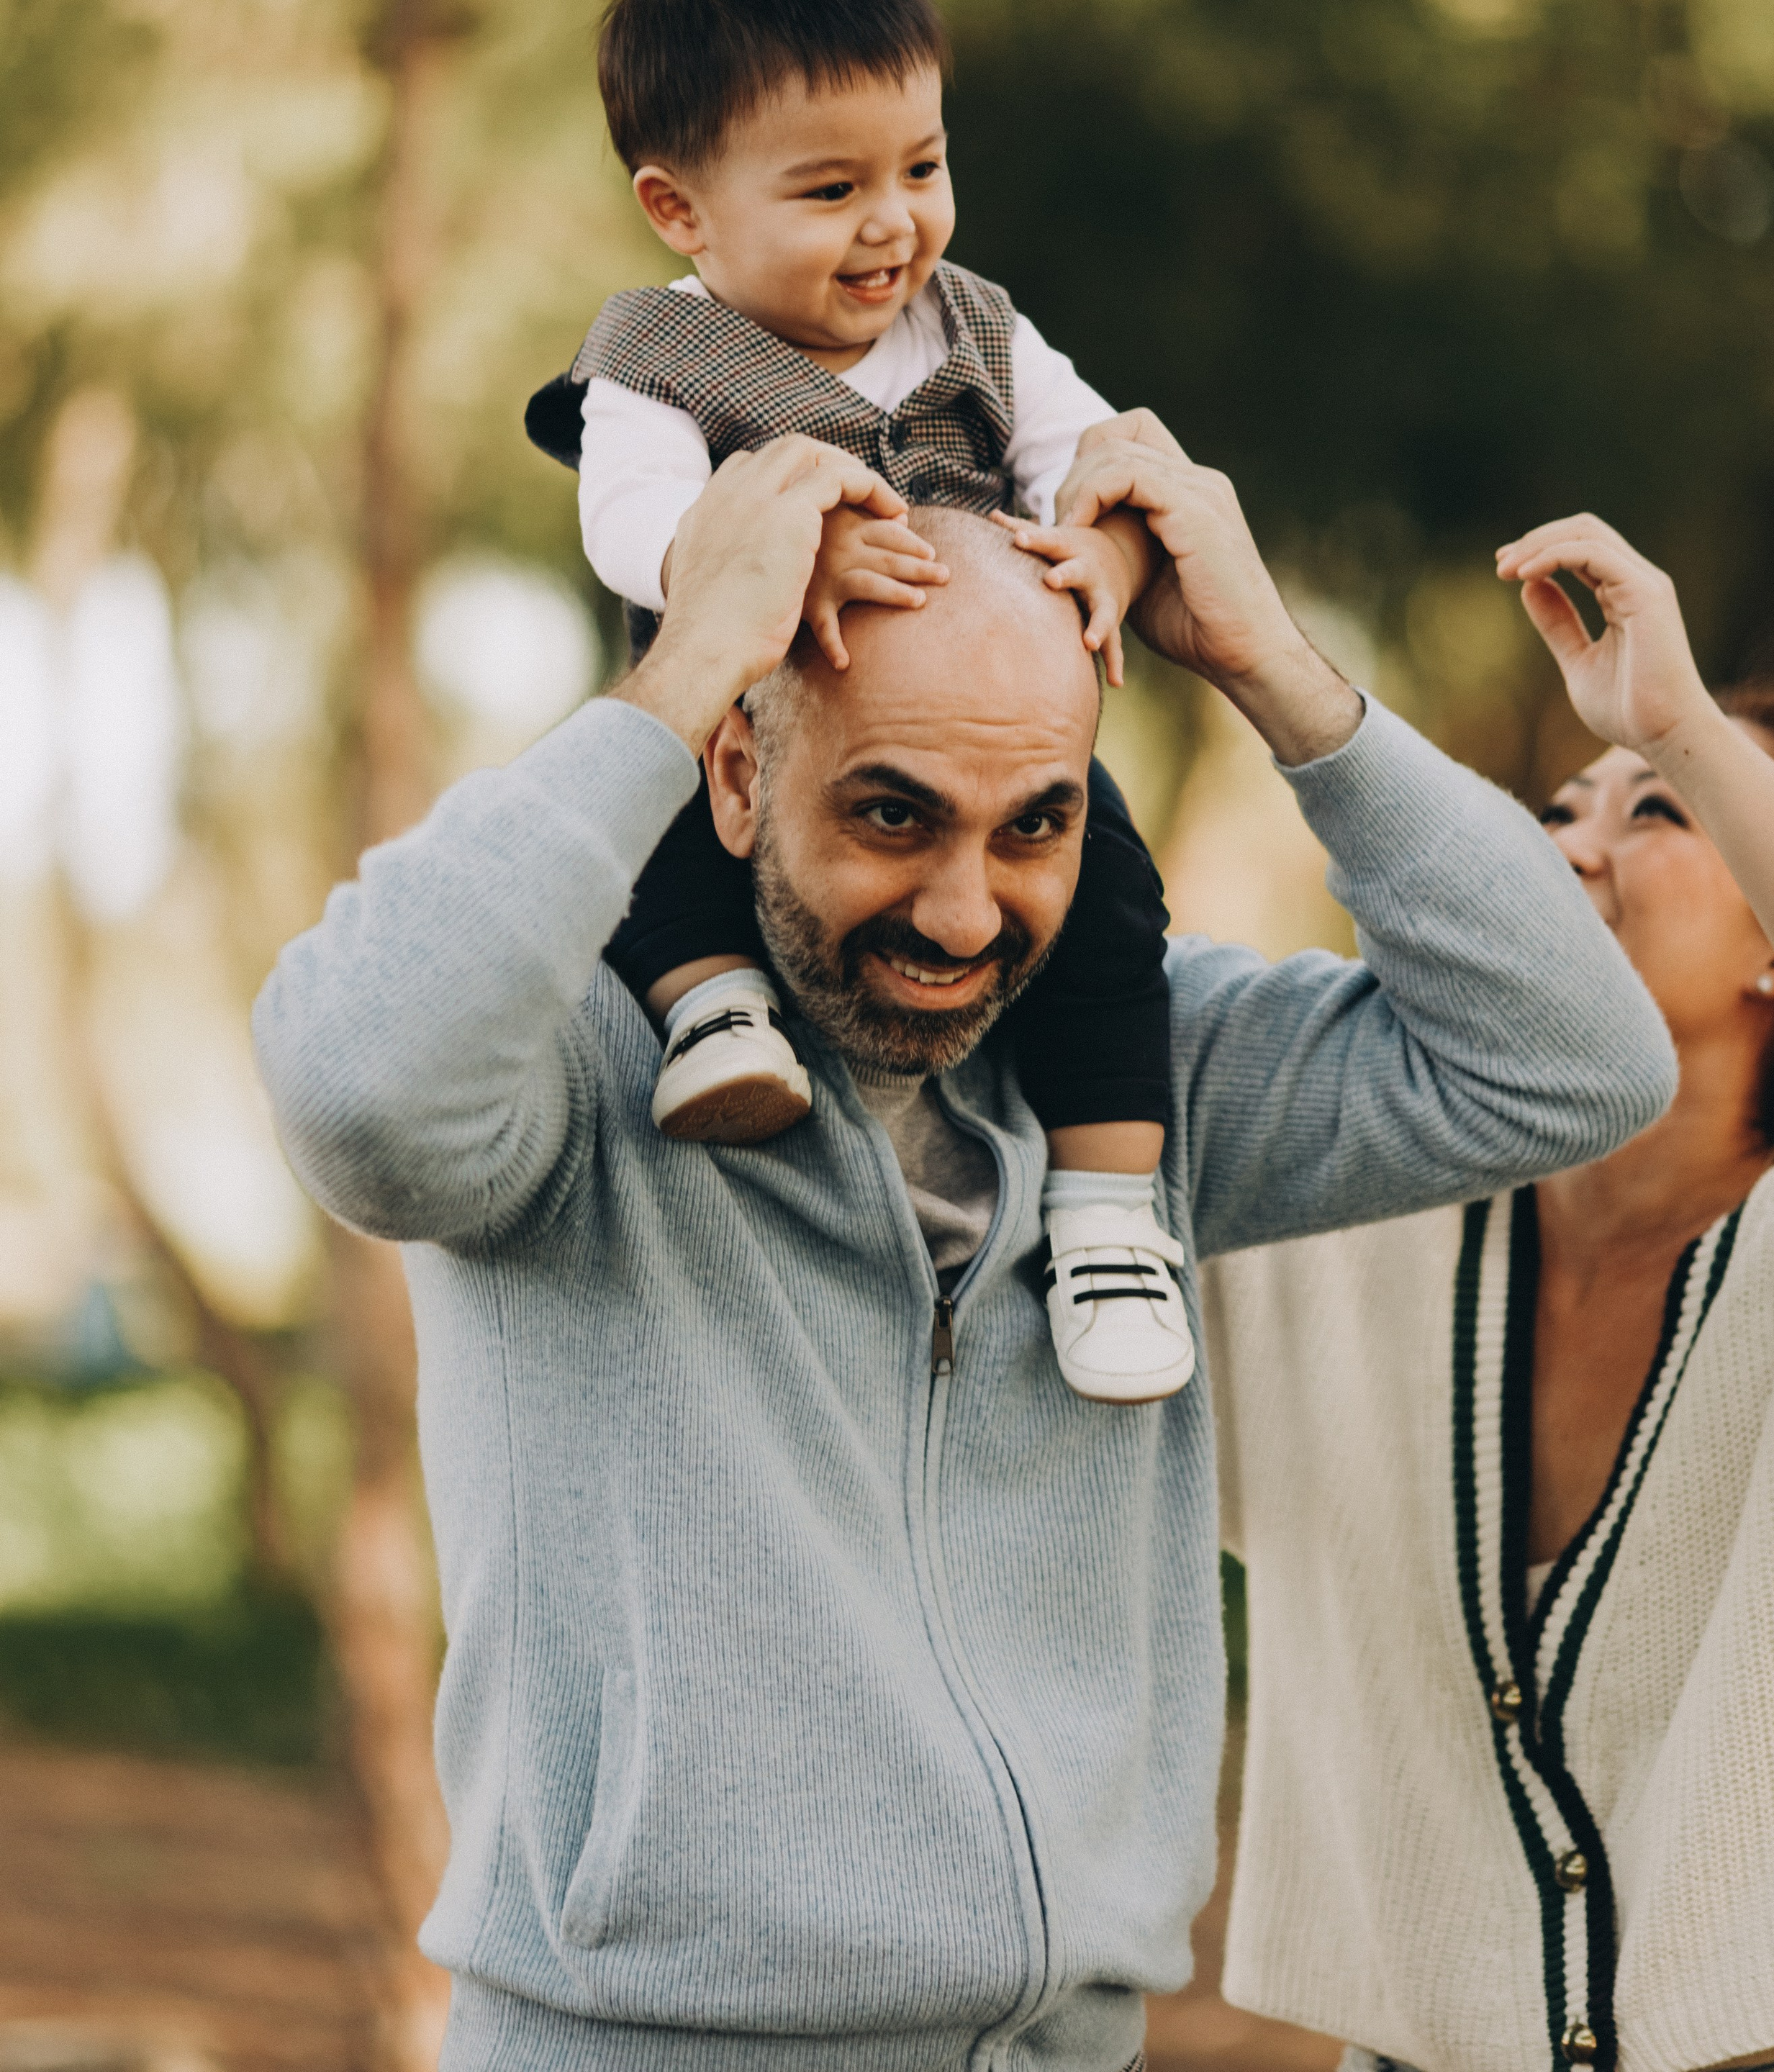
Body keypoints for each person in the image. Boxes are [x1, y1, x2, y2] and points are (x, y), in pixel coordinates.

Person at [253, 432, 1675, 2072]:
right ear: (734, 773)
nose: (961, 913)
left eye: (1034, 826)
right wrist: (687, 663)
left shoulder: (1144, 1085)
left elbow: (1577, 1061)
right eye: (891, 814)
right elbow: (355, 1091)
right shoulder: (568, 1071)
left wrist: (1274, 670)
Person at [1205, 511, 1774, 2072]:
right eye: (1557, 809)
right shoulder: (1339, 1231)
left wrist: (1685, 727)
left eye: (1658, 813)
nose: (1572, 846)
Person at [522, 0, 1184, 1402]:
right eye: (831, 190)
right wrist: (755, 553)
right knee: (652, 835)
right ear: (680, 210)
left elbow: (1099, 458)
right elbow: (626, 525)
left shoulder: (980, 329)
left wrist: (1105, 547)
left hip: (981, 735)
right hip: (754, 728)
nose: (893, 224)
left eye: (921, 169)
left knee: (1108, 909)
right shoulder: (652, 359)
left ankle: (1106, 1217)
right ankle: (715, 1013)